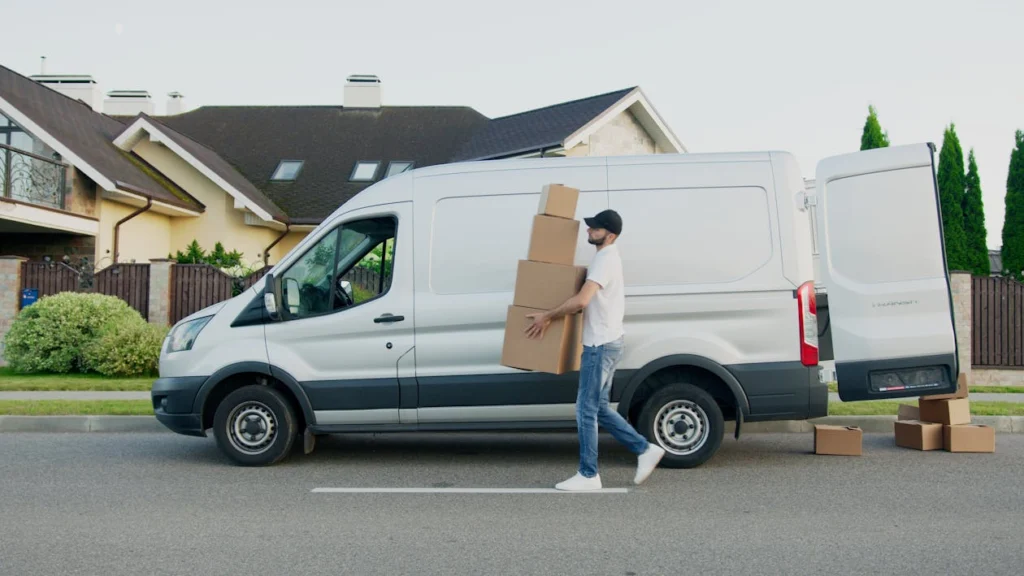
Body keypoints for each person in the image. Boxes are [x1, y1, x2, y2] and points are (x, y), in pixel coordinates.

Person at [525, 209, 665, 491]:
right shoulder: (606, 257)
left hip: (600, 345)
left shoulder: (605, 259)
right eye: (590, 227)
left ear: (609, 235)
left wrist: (547, 316)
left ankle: (589, 474)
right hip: (610, 341)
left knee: (585, 409)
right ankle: (644, 448)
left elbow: (582, 301)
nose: (589, 231)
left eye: (595, 228)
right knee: (598, 407)